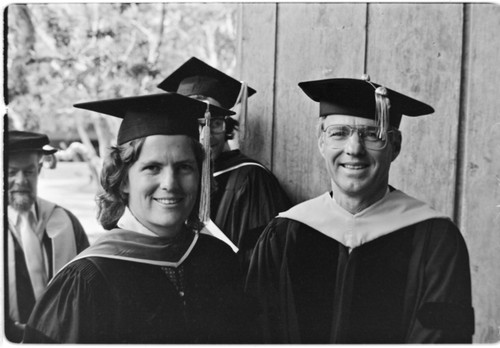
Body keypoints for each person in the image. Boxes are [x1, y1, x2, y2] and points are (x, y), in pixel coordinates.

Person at [245, 76, 474, 343]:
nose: (353, 149)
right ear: (321, 142)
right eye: (339, 133)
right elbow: (257, 333)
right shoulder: (284, 234)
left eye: (371, 135)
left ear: (395, 146)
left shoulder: (435, 239)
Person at [23, 92, 249, 343]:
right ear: (124, 180)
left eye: (184, 167)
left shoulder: (219, 258)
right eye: (152, 168)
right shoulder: (86, 278)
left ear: (200, 176)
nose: (170, 184)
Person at [158, 57, 291, 269]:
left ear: (226, 127)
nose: (204, 136)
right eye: (193, 124)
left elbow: (266, 260)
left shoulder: (250, 178)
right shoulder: (168, 180)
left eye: (213, 124)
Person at [5, 130, 89, 343]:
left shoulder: (65, 222)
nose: (21, 181)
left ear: (39, 169)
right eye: (11, 172)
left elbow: (88, 289)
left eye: (29, 171)